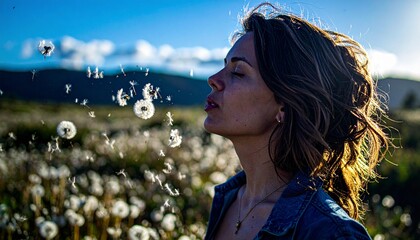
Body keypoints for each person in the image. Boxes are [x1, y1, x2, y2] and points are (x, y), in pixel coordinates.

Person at [203, 2, 391, 240]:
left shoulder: (330, 232)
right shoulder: (228, 199)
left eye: (238, 72)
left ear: (284, 104)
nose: (213, 79)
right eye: (223, 67)